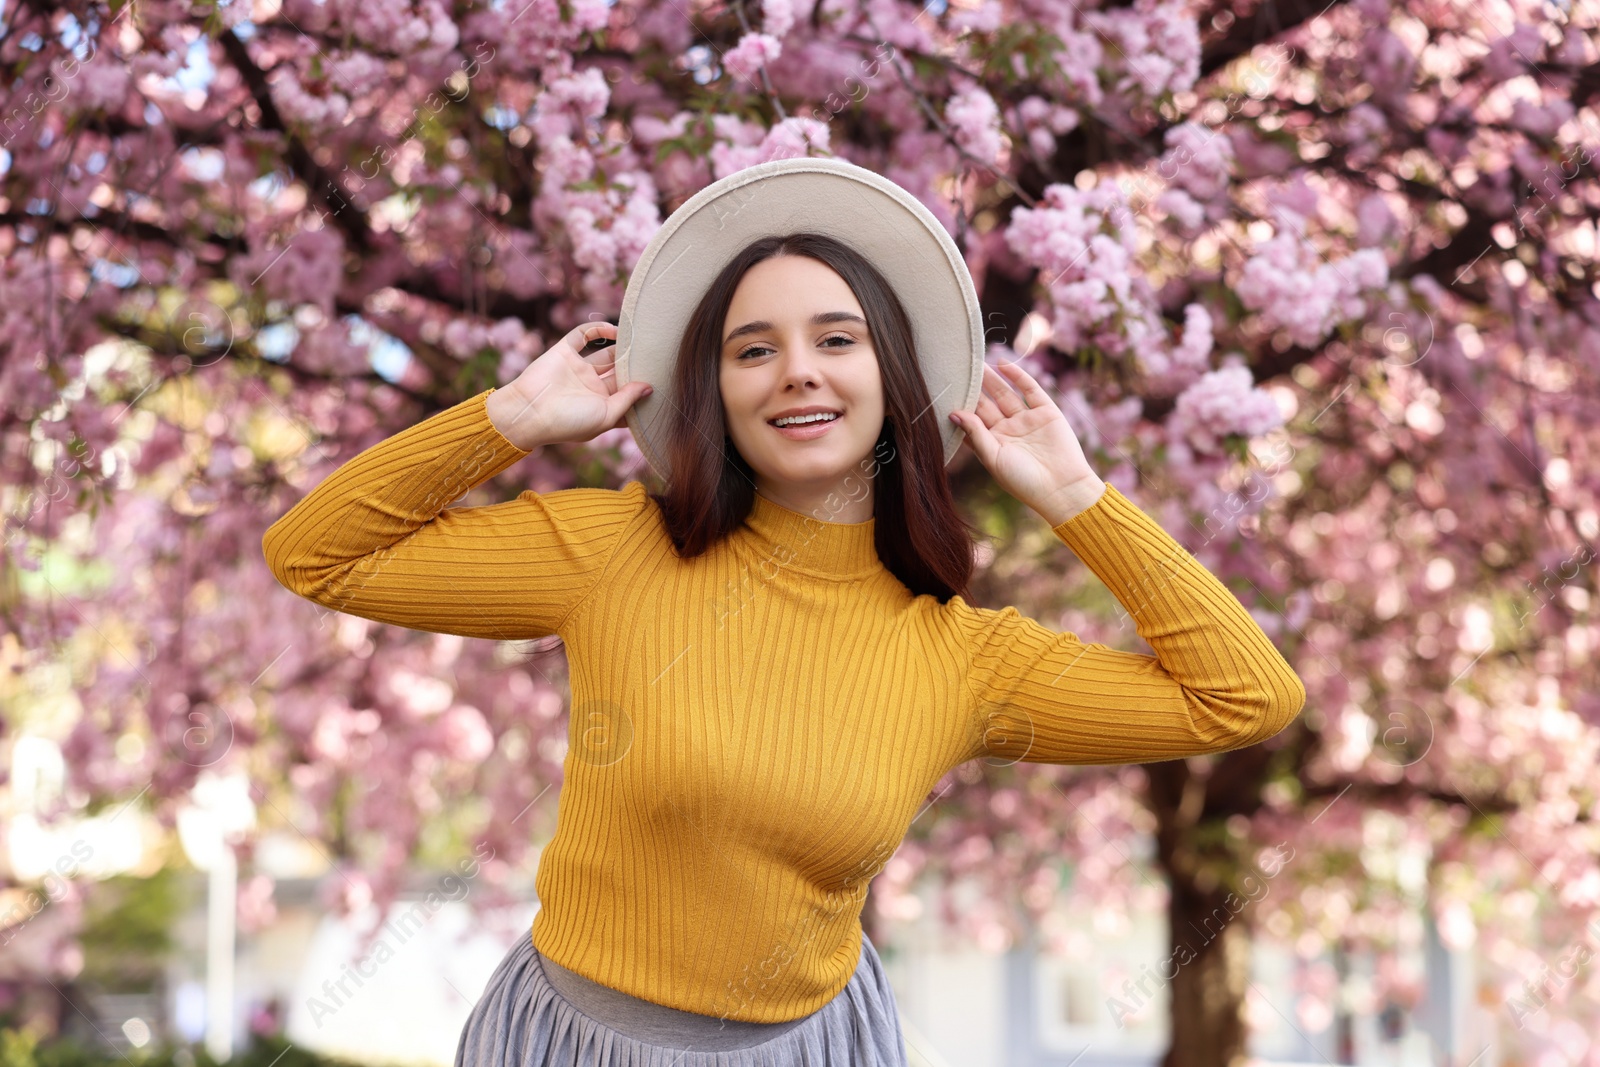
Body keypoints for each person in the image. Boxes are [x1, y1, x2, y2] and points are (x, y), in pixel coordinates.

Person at [262, 157, 1306, 1066]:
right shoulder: (611, 549)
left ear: (888, 377)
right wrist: (511, 418)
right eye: (753, 348)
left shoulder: (963, 657)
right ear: (715, 391)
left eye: (836, 339)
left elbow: (1243, 698)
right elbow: (316, 553)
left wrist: (1081, 501)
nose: (797, 368)